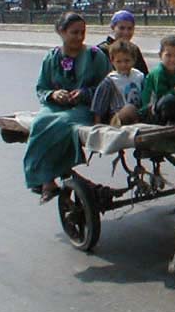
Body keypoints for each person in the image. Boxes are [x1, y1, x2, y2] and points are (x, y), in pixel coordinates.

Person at [23, 12, 111, 203]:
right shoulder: (52, 57)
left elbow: (109, 85)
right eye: (74, 33)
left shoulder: (96, 56)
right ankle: (46, 179)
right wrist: (54, 95)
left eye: (82, 32)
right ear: (61, 32)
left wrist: (85, 93)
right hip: (55, 107)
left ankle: (47, 179)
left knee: (63, 123)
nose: (79, 37)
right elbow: (41, 88)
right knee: (40, 123)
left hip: (87, 107)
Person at [91, 39, 144, 126]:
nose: (123, 65)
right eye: (119, 62)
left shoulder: (139, 76)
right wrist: (98, 126)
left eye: (127, 61)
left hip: (137, 115)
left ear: (134, 60)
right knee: (129, 109)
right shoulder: (110, 81)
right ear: (112, 61)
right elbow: (99, 107)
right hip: (118, 118)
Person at [97, 10, 149, 74]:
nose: (126, 32)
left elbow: (144, 77)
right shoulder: (102, 50)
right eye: (121, 28)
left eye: (129, 28)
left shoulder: (134, 50)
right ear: (113, 27)